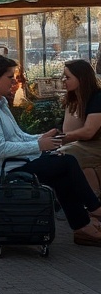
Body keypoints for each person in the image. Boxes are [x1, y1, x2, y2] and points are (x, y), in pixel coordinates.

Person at [0, 53, 101, 247]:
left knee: (62, 166)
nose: (14, 81)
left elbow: (18, 136)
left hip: (10, 166)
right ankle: (93, 211)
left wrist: (42, 138)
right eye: (10, 77)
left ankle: (83, 227)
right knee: (67, 162)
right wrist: (38, 146)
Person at [56, 59, 101, 197]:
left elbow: (88, 131)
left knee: (64, 154)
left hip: (94, 144)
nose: (64, 80)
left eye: (68, 77)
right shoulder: (73, 98)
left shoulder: (97, 98)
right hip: (81, 145)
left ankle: (94, 202)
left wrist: (62, 138)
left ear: (81, 78)